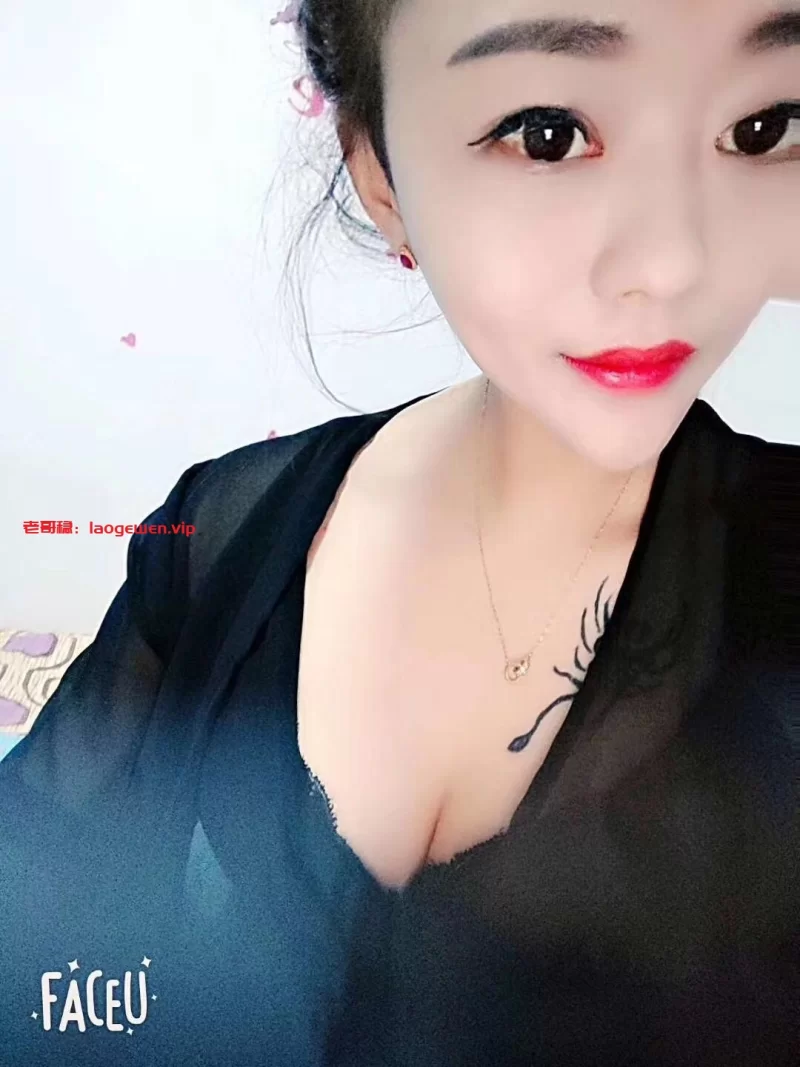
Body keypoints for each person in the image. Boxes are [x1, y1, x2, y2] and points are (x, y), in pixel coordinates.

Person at [1, 1, 798, 1064]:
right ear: (381, 178)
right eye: (548, 133)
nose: (673, 262)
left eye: (760, 128)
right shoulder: (219, 534)